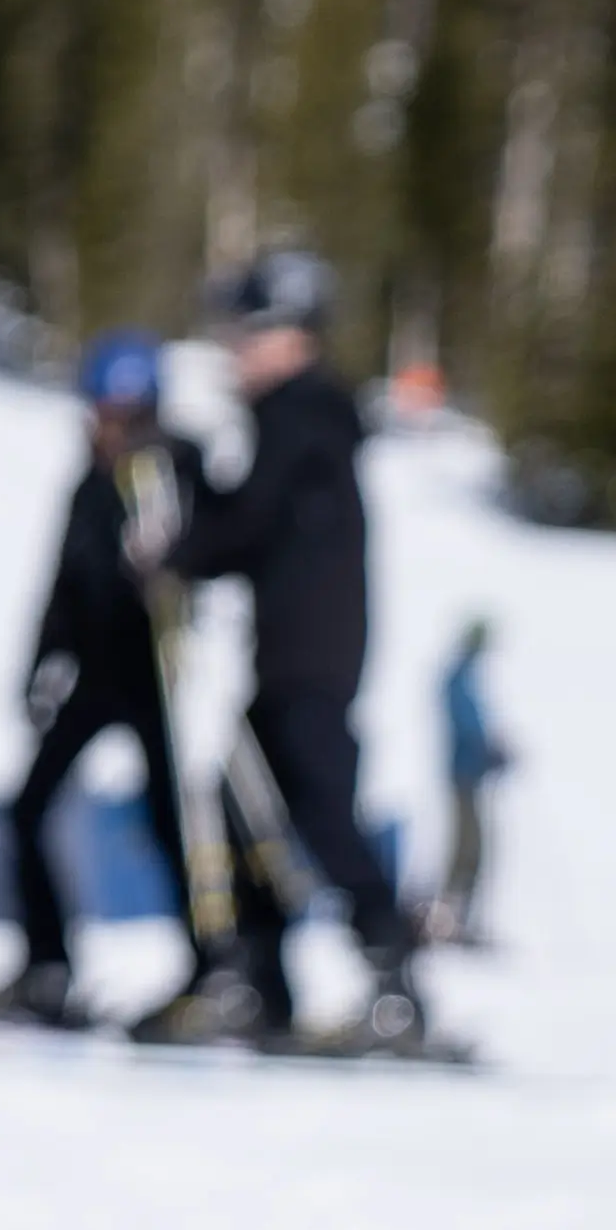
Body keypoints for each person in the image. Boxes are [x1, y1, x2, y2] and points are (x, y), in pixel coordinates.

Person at [143, 247, 436, 1052]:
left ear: (286, 334)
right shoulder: (304, 417)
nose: (233, 349)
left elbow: (249, 524)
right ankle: (265, 984)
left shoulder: (300, 414)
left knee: (319, 812)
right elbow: (254, 522)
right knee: (247, 809)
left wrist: (181, 544)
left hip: (310, 654)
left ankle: (395, 987)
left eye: (245, 332)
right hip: (296, 651)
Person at [0, 329, 209, 1026]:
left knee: (176, 822)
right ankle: (48, 966)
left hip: (159, 680)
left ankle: (211, 967)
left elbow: (201, 566)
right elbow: (65, 583)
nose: (99, 425)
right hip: (97, 674)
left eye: (112, 412)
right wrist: (44, 663)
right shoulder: (90, 484)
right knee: (28, 809)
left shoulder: (176, 472)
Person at [432, 617, 512, 948]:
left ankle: (458, 921)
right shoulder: (459, 677)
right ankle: (448, 923)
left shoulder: (464, 675)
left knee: (471, 851)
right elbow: (468, 725)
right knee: (467, 851)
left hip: (471, 776)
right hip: (464, 775)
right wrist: (487, 750)